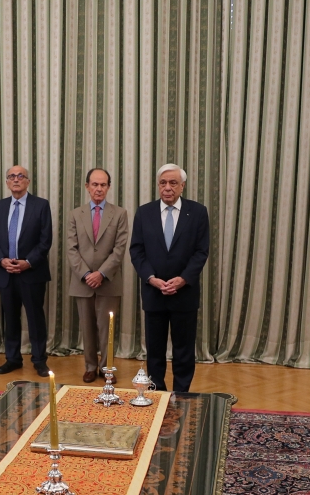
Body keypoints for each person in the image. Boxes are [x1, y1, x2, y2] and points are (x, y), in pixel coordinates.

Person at [129, 163, 210, 393]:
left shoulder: (198, 212)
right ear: (158, 186)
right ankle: (157, 394)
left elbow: (201, 251)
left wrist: (183, 279)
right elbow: (137, 250)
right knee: (154, 350)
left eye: (173, 183)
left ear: (182, 186)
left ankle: (182, 394)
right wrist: (151, 278)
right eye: (163, 183)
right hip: (154, 292)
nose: (167, 187)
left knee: (184, 350)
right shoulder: (144, 213)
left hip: (184, 294)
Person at [0, 165, 52, 376]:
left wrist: (28, 262)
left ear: (27, 181)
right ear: (7, 182)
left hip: (31, 273)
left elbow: (45, 240)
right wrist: (1, 260)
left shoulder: (41, 205)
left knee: (35, 318)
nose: (16, 179)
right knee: (10, 318)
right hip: (6, 273)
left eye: (20, 176)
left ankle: (39, 360)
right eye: (11, 176)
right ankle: (12, 358)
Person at [67, 168, 129, 382]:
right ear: (87, 186)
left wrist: (101, 273)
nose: (99, 188)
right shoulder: (75, 214)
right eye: (95, 184)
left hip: (108, 281)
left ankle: (107, 368)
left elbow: (120, 249)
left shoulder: (120, 214)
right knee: (87, 328)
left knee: (107, 328)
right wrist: (86, 274)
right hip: (82, 282)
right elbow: (71, 249)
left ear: (109, 187)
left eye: (103, 185)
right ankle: (90, 367)